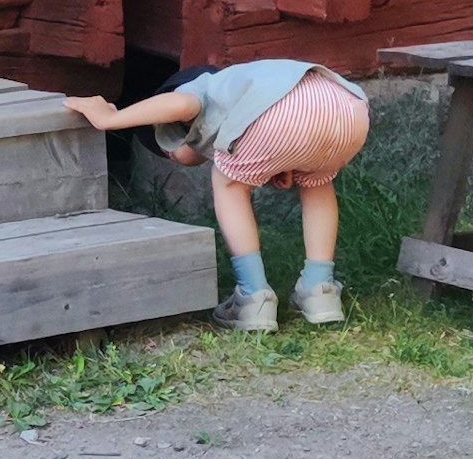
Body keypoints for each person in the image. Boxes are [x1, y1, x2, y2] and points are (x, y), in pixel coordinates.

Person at [64, 61, 373, 331]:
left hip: (286, 112)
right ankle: (319, 290)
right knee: (316, 184)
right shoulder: (241, 86)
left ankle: (253, 296)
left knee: (228, 183)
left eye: (176, 140)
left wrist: (109, 118)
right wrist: (288, 161)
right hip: (349, 108)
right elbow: (296, 113)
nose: (182, 150)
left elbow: (180, 106)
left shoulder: (203, 87)